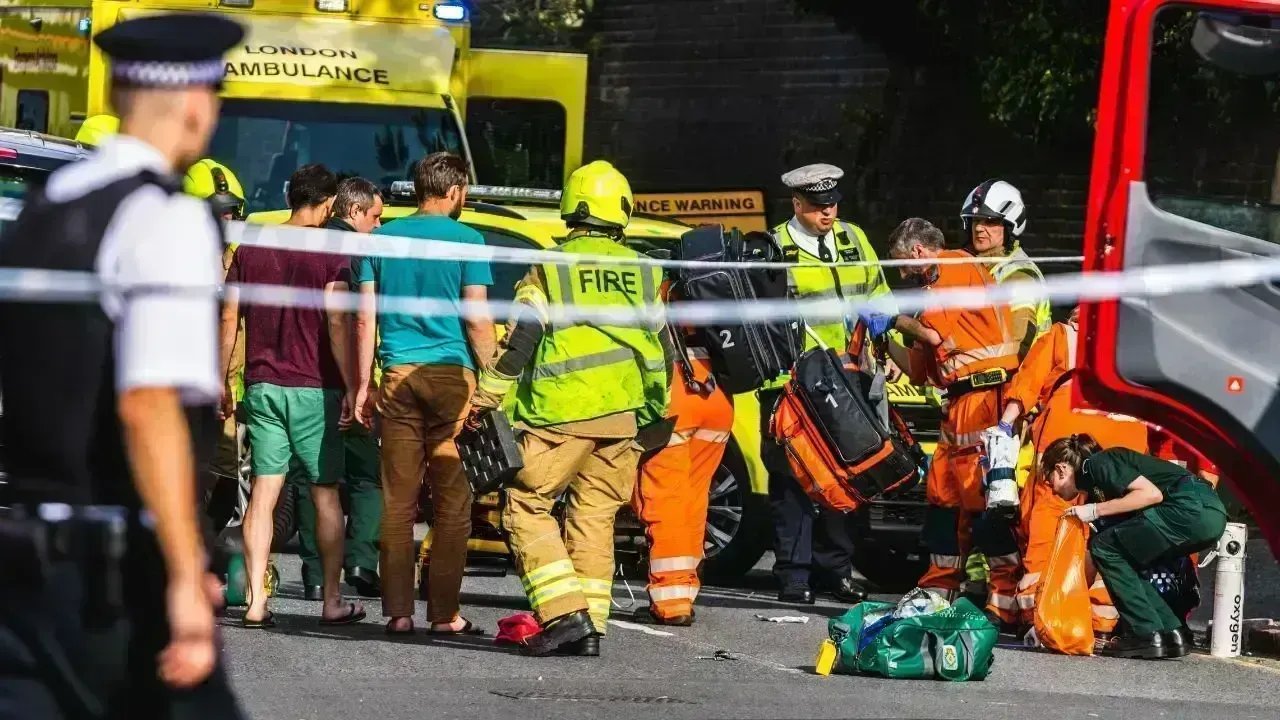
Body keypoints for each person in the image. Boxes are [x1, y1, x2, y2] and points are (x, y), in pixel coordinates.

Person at [0, 13, 246, 718]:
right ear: (199, 104)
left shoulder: (46, 209)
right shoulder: (165, 217)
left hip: (26, 559)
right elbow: (149, 403)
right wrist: (181, 571)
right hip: (114, 575)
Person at [470, 160, 672, 656]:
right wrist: (651, 416)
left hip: (561, 415)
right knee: (595, 518)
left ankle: (564, 615)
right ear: (622, 210)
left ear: (572, 208)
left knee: (526, 506)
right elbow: (663, 353)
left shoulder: (552, 267)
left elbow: (520, 340)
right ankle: (590, 628)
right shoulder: (645, 273)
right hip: (624, 417)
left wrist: (487, 395)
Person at [350, 152, 495, 636]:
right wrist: (493, 376)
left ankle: (398, 613)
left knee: (398, 500)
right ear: (454, 192)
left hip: (396, 375)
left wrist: (361, 385)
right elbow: (476, 320)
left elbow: (365, 317)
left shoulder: (380, 239)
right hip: (453, 377)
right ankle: (444, 614)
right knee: (453, 503)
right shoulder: (470, 241)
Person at [219, 163, 367, 628]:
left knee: (263, 492)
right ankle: (331, 601)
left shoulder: (252, 245)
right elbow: (338, 320)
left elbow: (228, 319)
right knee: (324, 495)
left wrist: (220, 379)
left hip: (262, 385)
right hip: (314, 389)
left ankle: (257, 601)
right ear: (326, 205)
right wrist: (351, 385)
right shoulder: (330, 252)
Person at [879, 217, 1023, 629]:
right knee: (942, 501)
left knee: (985, 505)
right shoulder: (937, 289)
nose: (903, 274)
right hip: (959, 403)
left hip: (984, 400)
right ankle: (937, 591)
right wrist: (887, 339)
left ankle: (1007, 600)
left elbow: (939, 340)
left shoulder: (954, 268)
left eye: (902, 265)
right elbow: (921, 370)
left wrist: (892, 317)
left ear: (919, 252)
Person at [760, 163, 894, 604]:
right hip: (793, 380)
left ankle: (835, 569)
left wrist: (885, 340)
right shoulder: (773, 248)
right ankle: (794, 577)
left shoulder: (853, 239)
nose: (828, 213)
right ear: (796, 204)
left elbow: (878, 293)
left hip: (847, 375)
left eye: (833, 204)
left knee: (848, 473)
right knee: (792, 478)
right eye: (818, 206)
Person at [994, 306, 1149, 633]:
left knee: (1052, 516)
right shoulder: (1143, 346)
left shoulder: (1063, 336)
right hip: (1128, 438)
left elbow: (1026, 385)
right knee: (1112, 525)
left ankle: (1041, 612)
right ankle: (1100, 617)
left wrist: (1005, 426)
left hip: (1069, 427)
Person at [1041, 434, 1228, 659]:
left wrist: (1094, 510)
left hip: (1190, 508)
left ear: (1061, 469)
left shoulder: (1098, 463)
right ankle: (1171, 633)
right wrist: (1057, 615)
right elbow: (1095, 558)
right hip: (1206, 513)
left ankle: (1146, 632)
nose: (1051, 489)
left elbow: (1151, 494)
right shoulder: (1101, 489)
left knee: (1106, 547)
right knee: (1122, 553)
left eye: (1049, 479)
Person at [294, 177, 385, 600]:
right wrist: (358, 386)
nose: (378, 228)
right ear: (353, 212)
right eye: (375, 217)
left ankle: (314, 575)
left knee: (310, 478)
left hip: (301, 380)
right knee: (368, 477)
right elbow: (351, 323)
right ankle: (361, 562)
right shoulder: (356, 253)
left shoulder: (301, 243)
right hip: (342, 382)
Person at [630, 268, 735, 626]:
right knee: (694, 498)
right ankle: (684, 590)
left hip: (677, 397)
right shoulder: (716, 287)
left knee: (665, 501)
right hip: (718, 399)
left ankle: (671, 601)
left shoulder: (659, 290)